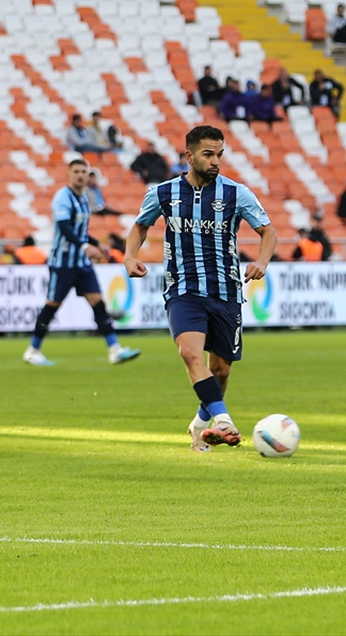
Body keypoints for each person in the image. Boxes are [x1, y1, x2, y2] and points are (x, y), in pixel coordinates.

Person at [125, 125, 277, 450]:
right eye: (208, 154)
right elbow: (140, 226)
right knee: (190, 353)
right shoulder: (163, 193)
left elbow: (268, 232)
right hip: (183, 291)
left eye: (219, 155)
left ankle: (199, 424)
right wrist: (129, 256)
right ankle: (224, 422)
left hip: (226, 292)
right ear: (189, 156)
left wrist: (262, 262)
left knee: (219, 371)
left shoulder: (237, 193)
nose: (215, 162)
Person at [23, 160, 141, 368]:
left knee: (98, 303)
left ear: (88, 176)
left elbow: (81, 231)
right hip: (63, 263)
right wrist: (86, 247)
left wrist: (98, 244)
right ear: (69, 174)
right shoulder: (63, 197)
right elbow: (65, 228)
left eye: (83, 172)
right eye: (76, 171)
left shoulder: (84, 198)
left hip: (81, 264)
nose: (80, 175)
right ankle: (33, 350)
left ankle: (114, 349)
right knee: (52, 306)